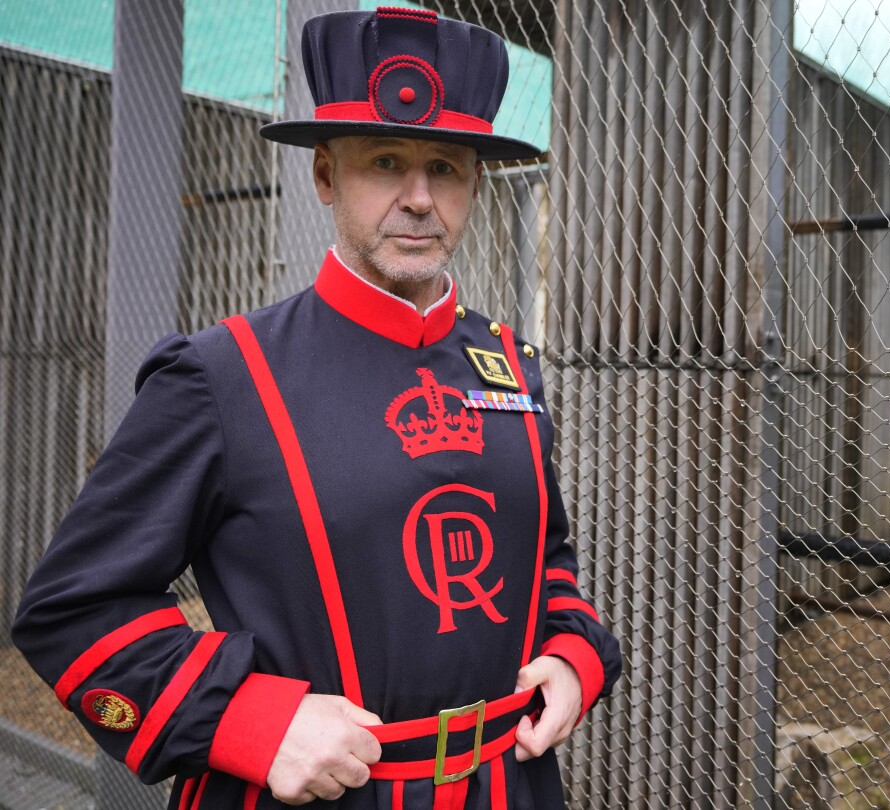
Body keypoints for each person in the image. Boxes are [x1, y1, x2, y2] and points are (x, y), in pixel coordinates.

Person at [11, 8, 622, 809]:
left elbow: (545, 558)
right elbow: (74, 607)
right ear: (326, 175)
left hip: (512, 789)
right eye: (386, 162)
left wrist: (575, 655)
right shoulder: (220, 375)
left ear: (476, 182)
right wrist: (249, 720)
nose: (417, 197)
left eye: (444, 166)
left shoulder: (509, 365)